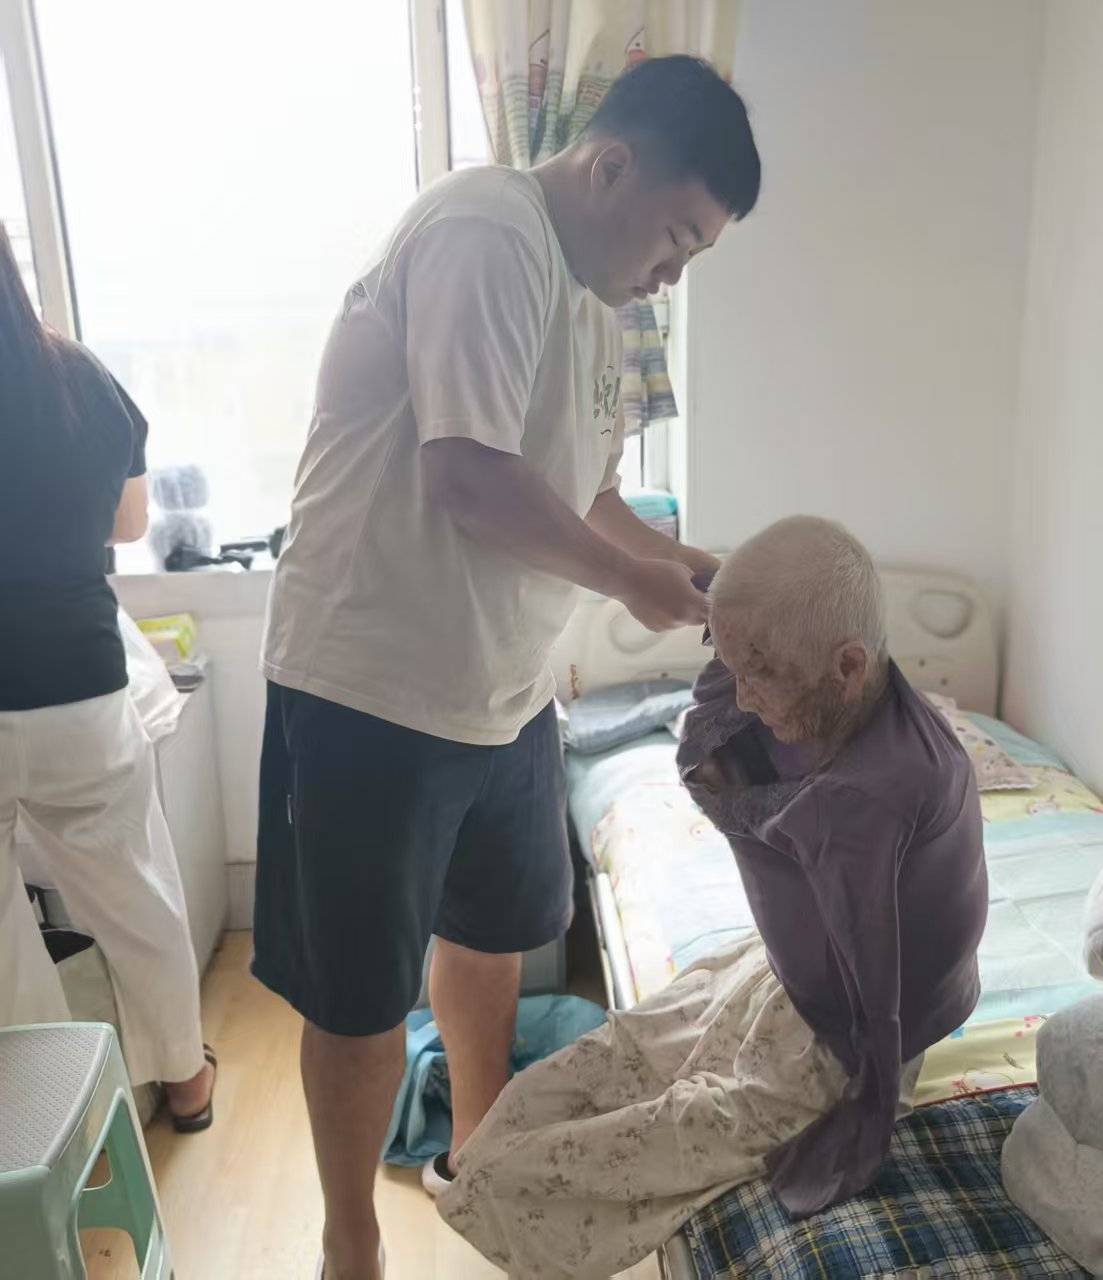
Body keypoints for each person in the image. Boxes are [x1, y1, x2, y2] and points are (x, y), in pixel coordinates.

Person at [252, 55, 760, 1280]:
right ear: (610, 165)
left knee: (491, 938)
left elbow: (586, 492)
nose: (671, 273)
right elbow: (466, 476)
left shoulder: (601, 303)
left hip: (505, 688)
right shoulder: (488, 230)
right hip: (370, 682)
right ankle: (349, 1241)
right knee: (359, 994)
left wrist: (689, 562)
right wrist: (630, 583)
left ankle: (474, 1156)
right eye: (676, 238)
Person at [434, 517, 989, 1277]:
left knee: (651, 1129)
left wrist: (867, 1113)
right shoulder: (845, 689)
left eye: (759, 675)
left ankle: (487, 1183)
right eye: (733, 665)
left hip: (852, 1037)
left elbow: (879, 992)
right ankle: (485, 1157)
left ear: (847, 666)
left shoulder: (868, 801)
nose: (744, 696)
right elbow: (729, 691)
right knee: (626, 1049)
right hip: (788, 973)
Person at [0, 223, 215, 1129]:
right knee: (133, 894)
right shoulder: (78, 377)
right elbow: (128, 524)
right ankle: (187, 1080)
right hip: (76, 688)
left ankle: (54, 1125)